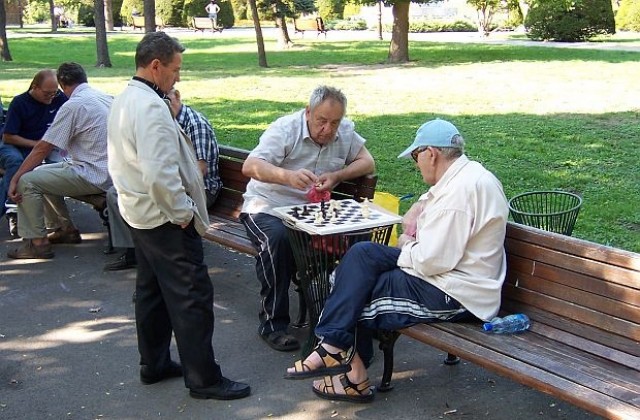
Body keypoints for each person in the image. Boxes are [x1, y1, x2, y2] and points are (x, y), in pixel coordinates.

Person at [284, 119, 509, 403]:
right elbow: (437, 206)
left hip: (456, 293)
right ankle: (333, 350)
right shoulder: (469, 174)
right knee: (361, 255)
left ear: (432, 153)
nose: (416, 164)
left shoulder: (460, 194)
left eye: (416, 156)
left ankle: (351, 376)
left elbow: (431, 261)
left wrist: (405, 242)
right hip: (445, 274)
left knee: (354, 289)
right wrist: (420, 204)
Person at [107, 31, 250, 400]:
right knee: (192, 296)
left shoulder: (125, 98)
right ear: (155, 66)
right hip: (164, 218)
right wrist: (183, 213)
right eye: (175, 69)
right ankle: (203, 378)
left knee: (151, 291)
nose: (178, 77)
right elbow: (159, 173)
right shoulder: (151, 106)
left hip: (139, 213)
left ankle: (153, 364)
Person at [240, 85, 375, 352]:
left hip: (312, 215)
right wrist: (287, 176)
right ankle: (272, 324)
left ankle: (350, 319)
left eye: (334, 122)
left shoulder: (345, 131)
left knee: (361, 240)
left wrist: (338, 176)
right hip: (269, 207)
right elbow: (250, 166)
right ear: (308, 112)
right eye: (321, 121)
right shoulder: (285, 129)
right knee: (277, 240)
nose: (327, 129)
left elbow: (367, 162)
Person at [103, 87, 222, 271]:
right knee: (116, 193)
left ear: (178, 96)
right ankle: (135, 251)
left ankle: (151, 261)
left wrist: (169, 191)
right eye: (162, 100)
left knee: (157, 198)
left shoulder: (194, 123)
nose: (165, 104)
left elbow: (200, 171)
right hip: (176, 186)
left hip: (203, 190)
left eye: (168, 99)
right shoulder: (158, 119)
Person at [6, 63, 112, 260]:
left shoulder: (73, 105)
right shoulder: (104, 97)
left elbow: (42, 148)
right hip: (109, 169)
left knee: (27, 181)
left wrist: (15, 178)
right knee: (41, 172)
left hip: (93, 173)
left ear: (62, 84)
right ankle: (64, 229)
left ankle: (37, 243)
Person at [0, 69, 68, 236]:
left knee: (57, 168)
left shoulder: (59, 98)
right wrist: (37, 145)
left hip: (46, 146)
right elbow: (8, 137)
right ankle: (12, 208)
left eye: (55, 92)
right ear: (35, 87)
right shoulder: (20, 103)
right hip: (17, 143)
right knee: (16, 163)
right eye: (47, 93)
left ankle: (60, 222)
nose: (51, 97)